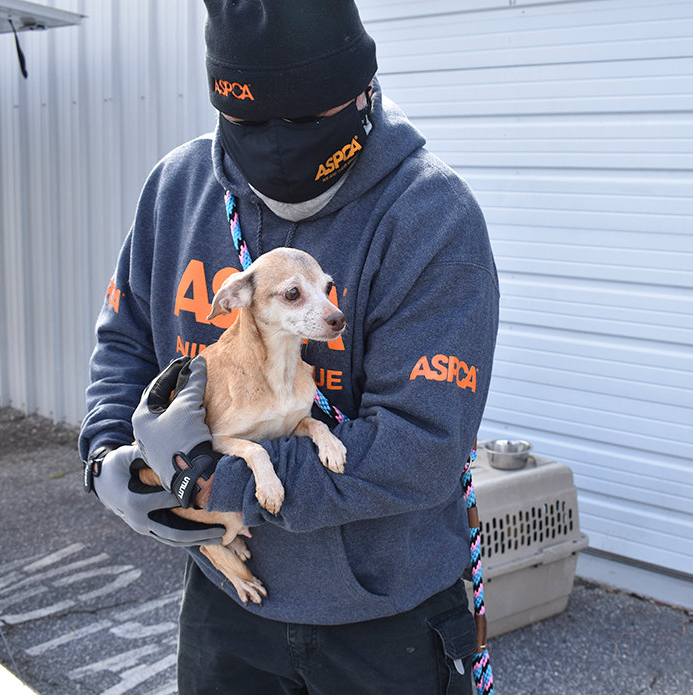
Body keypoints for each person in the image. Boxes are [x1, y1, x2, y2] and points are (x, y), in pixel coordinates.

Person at [78, 1, 499, 692]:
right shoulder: (176, 192)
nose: (276, 142)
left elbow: (420, 446)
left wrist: (210, 478)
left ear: (362, 91)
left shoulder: (430, 218)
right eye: (247, 120)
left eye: (305, 120)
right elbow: (123, 340)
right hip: (227, 604)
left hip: (382, 619)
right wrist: (106, 458)